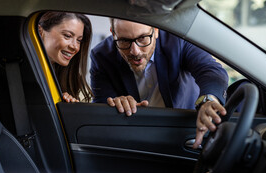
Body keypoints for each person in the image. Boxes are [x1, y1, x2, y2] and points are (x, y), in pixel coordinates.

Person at [90, 19, 229, 148]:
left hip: (184, 134)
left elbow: (211, 71)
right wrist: (115, 104)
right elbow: (102, 106)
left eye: (142, 38)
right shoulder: (101, 55)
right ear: (113, 33)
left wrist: (208, 99)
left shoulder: (178, 39)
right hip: (136, 142)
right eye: (124, 41)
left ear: (155, 30)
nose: (135, 51)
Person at [38, 12, 93, 103]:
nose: (75, 46)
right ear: (40, 32)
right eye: (67, 36)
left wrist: (64, 104)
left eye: (79, 40)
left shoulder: (71, 79)